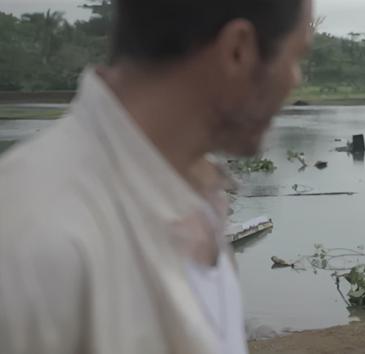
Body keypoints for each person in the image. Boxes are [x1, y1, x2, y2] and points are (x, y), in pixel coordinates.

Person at [0, 0, 313, 353]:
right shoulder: (33, 242)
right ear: (238, 50)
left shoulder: (202, 201)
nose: (295, 80)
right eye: (296, 57)